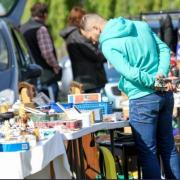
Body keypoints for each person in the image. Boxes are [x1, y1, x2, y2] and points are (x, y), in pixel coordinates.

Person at [80, 14, 180, 179]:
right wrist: (160, 76)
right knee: (168, 146)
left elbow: (130, 73)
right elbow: (163, 49)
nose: (93, 42)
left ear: (96, 28)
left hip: (142, 98)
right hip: (163, 95)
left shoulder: (108, 43)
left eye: (91, 37)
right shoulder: (140, 26)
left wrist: (157, 81)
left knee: (149, 152)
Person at [60, 6, 107, 93]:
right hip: (90, 79)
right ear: (80, 19)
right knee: (95, 104)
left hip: (86, 78)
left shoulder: (73, 35)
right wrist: (105, 54)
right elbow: (93, 53)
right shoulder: (76, 35)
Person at [20, 2, 61, 101]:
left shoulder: (22, 28)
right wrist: (56, 67)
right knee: (50, 105)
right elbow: (47, 53)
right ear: (45, 14)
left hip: (29, 74)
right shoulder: (41, 29)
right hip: (45, 75)